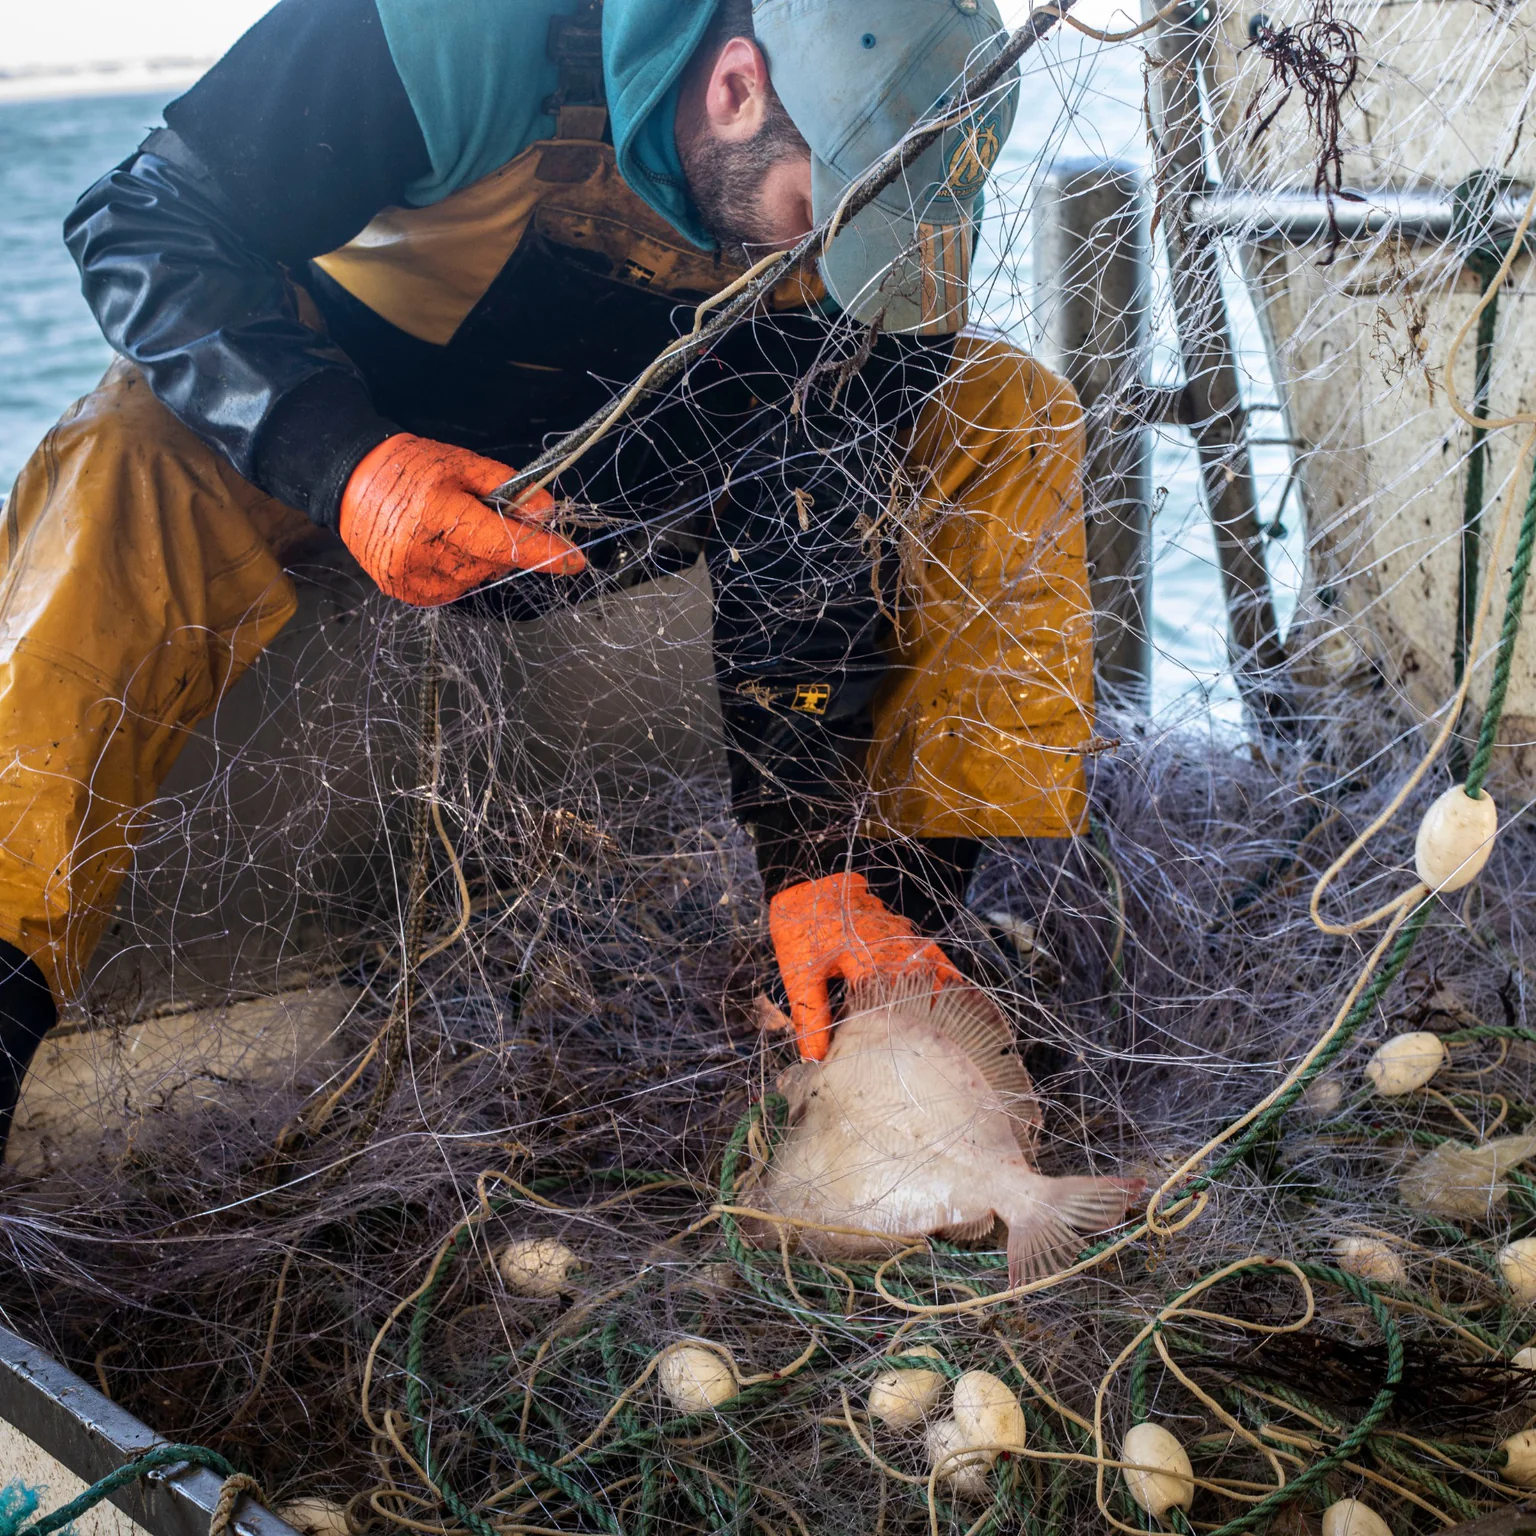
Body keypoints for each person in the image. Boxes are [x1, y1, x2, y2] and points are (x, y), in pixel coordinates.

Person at [0, 0, 1093, 1145]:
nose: (835, 264)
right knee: (125, 455)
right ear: (735, 87)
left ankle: (864, 988)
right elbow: (142, 219)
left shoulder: (885, 196)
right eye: (820, 220)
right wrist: (346, 465)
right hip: (355, 450)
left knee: (1003, 411)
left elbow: (824, 500)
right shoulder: (459, 27)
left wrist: (809, 854)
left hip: (633, 487)